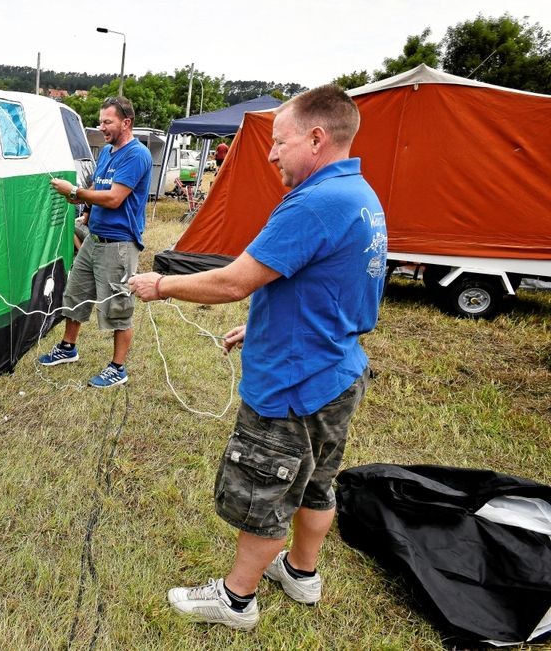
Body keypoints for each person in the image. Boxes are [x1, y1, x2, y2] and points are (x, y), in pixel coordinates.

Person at [128, 85, 388, 630]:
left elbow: (234, 281)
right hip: (337, 369)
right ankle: (301, 573)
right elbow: (330, 285)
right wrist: (265, 324)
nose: (271, 155)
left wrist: (162, 285)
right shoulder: (360, 195)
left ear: (317, 139)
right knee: (317, 481)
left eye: (280, 142)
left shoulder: (315, 201)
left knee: (266, 488)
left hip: (294, 383)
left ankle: (236, 601)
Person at [44, 96, 152, 388]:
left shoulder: (137, 155)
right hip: (94, 239)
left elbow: (115, 197)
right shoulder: (106, 152)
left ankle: (118, 368)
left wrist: (76, 191)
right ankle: (68, 348)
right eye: (100, 121)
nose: (101, 127)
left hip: (119, 244)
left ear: (125, 123)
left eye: (108, 122)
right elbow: (98, 186)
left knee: (119, 306)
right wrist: (83, 210)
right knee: (75, 293)